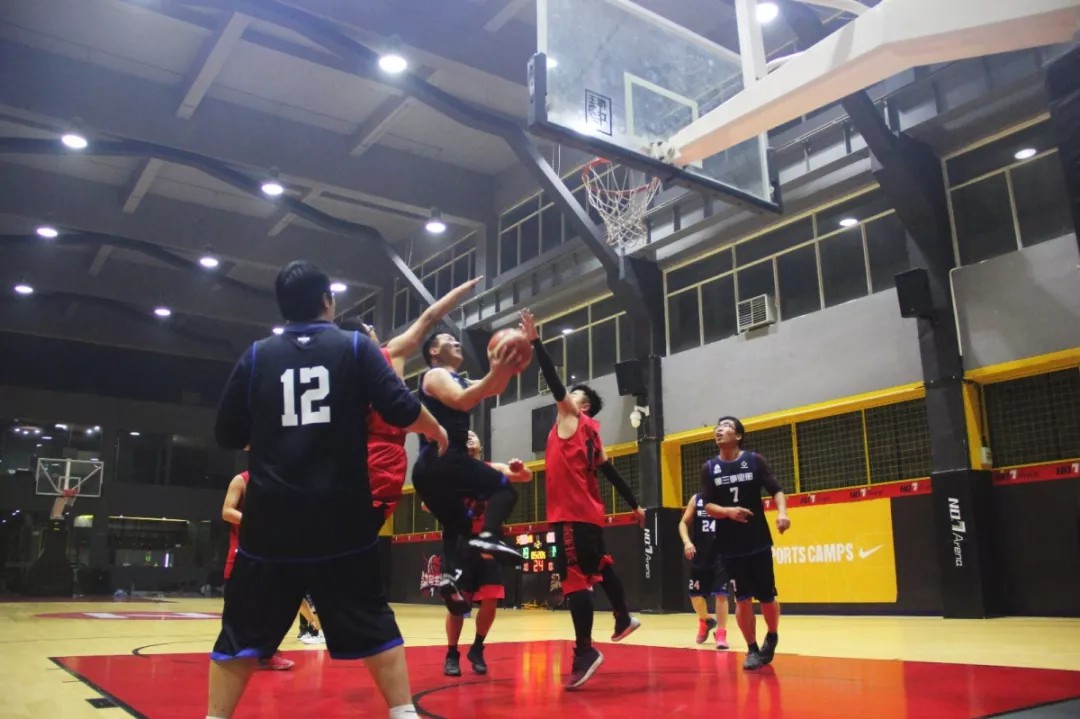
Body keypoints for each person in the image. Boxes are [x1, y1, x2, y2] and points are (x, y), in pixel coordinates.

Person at [207, 260, 449, 719]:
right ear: (327, 302)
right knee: (372, 617)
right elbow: (400, 407)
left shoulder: (256, 356)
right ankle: (403, 712)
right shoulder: (354, 347)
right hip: (341, 515)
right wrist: (436, 429)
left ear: (283, 307)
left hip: (272, 518)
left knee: (241, 630)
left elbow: (226, 433)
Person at [519, 309, 645, 690]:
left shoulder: (572, 417)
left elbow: (554, 382)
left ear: (582, 405)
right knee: (599, 565)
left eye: (575, 395)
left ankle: (585, 651)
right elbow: (610, 473)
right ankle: (622, 616)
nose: (567, 396)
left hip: (571, 514)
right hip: (588, 515)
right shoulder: (593, 433)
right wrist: (635, 505)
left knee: (574, 581)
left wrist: (536, 342)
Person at [340, 276, 482, 528]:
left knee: (353, 529)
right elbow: (429, 317)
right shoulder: (390, 353)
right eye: (369, 327)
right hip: (387, 456)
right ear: (365, 335)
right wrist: (460, 290)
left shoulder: (346, 372)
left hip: (356, 456)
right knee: (364, 530)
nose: (374, 330)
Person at [412, 330, 525, 615]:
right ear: (434, 352)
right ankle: (489, 535)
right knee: (504, 489)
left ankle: (448, 580)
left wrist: (503, 367)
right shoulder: (435, 375)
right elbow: (463, 400)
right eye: (448, 340)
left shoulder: (459, 378)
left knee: (458, 525)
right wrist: (496, 371)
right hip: (445, 458)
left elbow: (493, 389)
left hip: (429, 471)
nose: (457, 342)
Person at [699, 416, 790, 671]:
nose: (719, 429)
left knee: (767, 596)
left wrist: (782, 513)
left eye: (726, 426)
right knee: (742, 599)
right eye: (717, 427)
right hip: (730, 546)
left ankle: (772, 635)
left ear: (738, 436)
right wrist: (728, 512)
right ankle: (751, 649)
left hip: (758, 541)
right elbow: (708, 505)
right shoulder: (710, 468)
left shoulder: (754, 460)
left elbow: (776, 489)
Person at [443, 431, 531, 678]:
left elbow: (526, 476)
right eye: (465, 435)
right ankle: (452, 654)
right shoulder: (451, 472)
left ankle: (477, 649)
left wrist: (520, 469)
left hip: (488, 542)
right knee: (457, 603)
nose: (469, 437)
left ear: (481, 446)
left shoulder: (492, 469)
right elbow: (426, 503)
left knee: (491, 599)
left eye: (473, 435)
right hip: (462, 542)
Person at [221, 470, 298, 668]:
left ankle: (265, 652)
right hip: (243, 553)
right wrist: (258, 522)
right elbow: (227, 511)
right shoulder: (241, 480)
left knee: (272, 606)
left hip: (272, 554)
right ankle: (238, 652)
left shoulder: (279, 481)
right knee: (239, 608)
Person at [678, 493, 731, 649]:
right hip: (700, 555)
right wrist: (687, 542)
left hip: (721, 554)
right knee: (695, 596)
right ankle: (705, 619)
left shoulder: (725, 496)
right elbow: (683, 523)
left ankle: (721, 633)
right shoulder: (697, 499)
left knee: (721, 595)